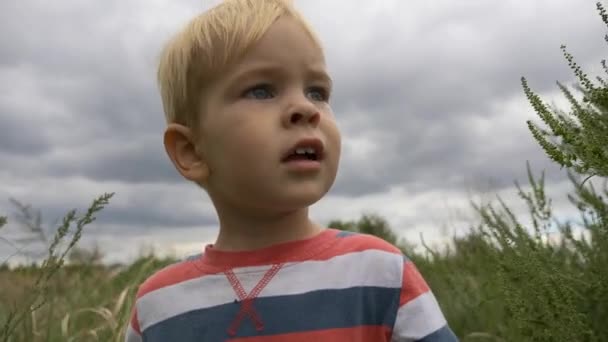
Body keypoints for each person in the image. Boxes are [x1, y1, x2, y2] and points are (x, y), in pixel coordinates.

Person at [125, 0, 458, 341]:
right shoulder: (159, 306)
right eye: (261, 90)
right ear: (192, 151)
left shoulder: (379, 273)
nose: (305, 108)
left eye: (317, 92)